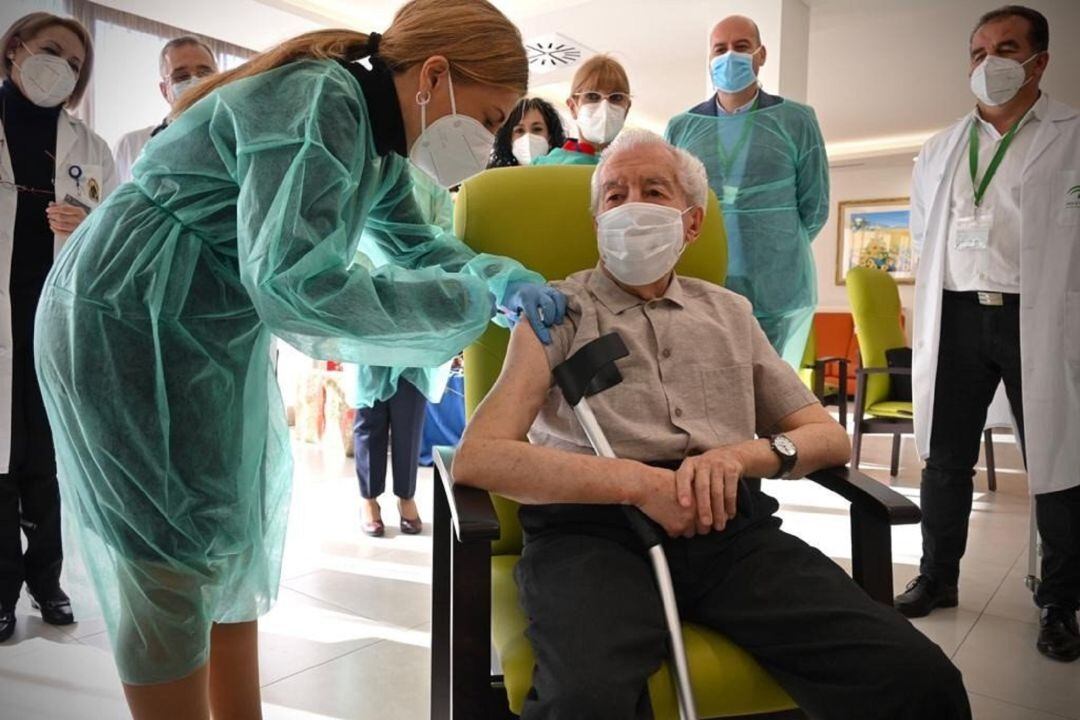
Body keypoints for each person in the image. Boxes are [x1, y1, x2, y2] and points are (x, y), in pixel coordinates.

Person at [32, 1, 566, 717]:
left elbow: (413, 246)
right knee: (166, 563)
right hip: (132, 315)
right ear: (434, 75)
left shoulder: (374, 145)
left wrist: (499, 277)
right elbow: (297, 287)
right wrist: (467, 304)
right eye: (494, 118)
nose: (490, 140)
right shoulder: (322, 101)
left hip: (204, 327)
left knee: (225, 542)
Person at [453, 129, 971, 720]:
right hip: (591, 535)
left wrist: (740, 458)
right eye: (615, 196)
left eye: (654, 190)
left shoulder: (729, 313)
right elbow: (482, 456)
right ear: (597, 222)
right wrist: (641, 485)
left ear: (691, 223)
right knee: (585, 700)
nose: (632, 207)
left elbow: (825, 437)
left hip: (731, 534)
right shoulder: (556, 315)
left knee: (919, 678)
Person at [898, 5, 1080, 663]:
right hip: (955, 315)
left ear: (1041, 61)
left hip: (1044, 317)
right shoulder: (941, 146)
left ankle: (1061, 602)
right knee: (945, 457)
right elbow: (923, 235)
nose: (989, 63)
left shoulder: (1071, 135)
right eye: (978, 52)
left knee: (1057, 463)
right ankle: (937, 577)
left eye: (1006, 48)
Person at [0, 12, 115, 643]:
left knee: (44, 461)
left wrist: (88, 225)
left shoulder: (89, 147)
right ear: (14, 48)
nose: (62, 70)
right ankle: (0, 590)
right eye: (52, 52)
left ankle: (47, 582)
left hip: (51, 323)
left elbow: (114, 233)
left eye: (75, 65)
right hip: (2, 321)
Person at [665, 15, 828, 368]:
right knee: (709, 386)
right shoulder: (682, 128)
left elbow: (815, 208)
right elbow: (671, 204)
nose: (729, 57)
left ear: (761, 54)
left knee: (768, 391)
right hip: (703, 279)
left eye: (741, 47)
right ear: (709, 59)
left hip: (776, 286)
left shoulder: (796, 120)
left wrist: (775, 246)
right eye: (720, 49)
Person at [113, 35, 219, 184]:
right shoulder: (131, 145)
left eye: (205, 74)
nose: (196, 82)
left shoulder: (234, 141)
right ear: (164, 90)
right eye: (181, 76)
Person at [533, 54, 631, 166]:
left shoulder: (634, 168)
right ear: (572, 107)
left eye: (616, 97)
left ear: (626, 109)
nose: (605, 107)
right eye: (592, 96)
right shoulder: (544, 167)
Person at [487, 96, 566, 168]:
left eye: (537, 129)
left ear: (550, 137)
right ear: (509, 139)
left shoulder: (566, 175)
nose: (528, 137)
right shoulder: (494, 179)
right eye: (520, 130)